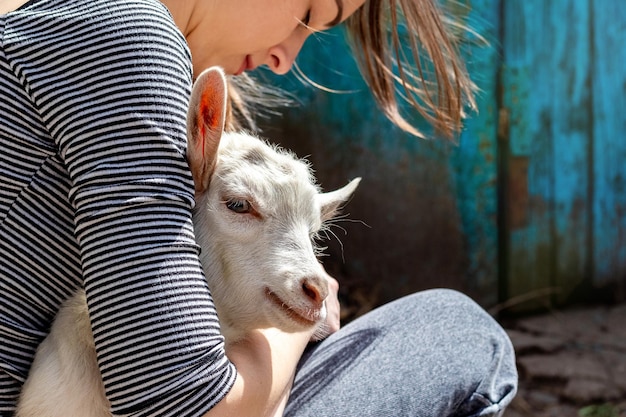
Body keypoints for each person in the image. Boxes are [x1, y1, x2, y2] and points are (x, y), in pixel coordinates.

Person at [0, 0, 517, 416]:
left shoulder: (49, 24)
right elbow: (181, 402)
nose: (286, 59)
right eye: (310, 14)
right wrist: (294, 327)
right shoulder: (126, 33)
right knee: (456, 330)